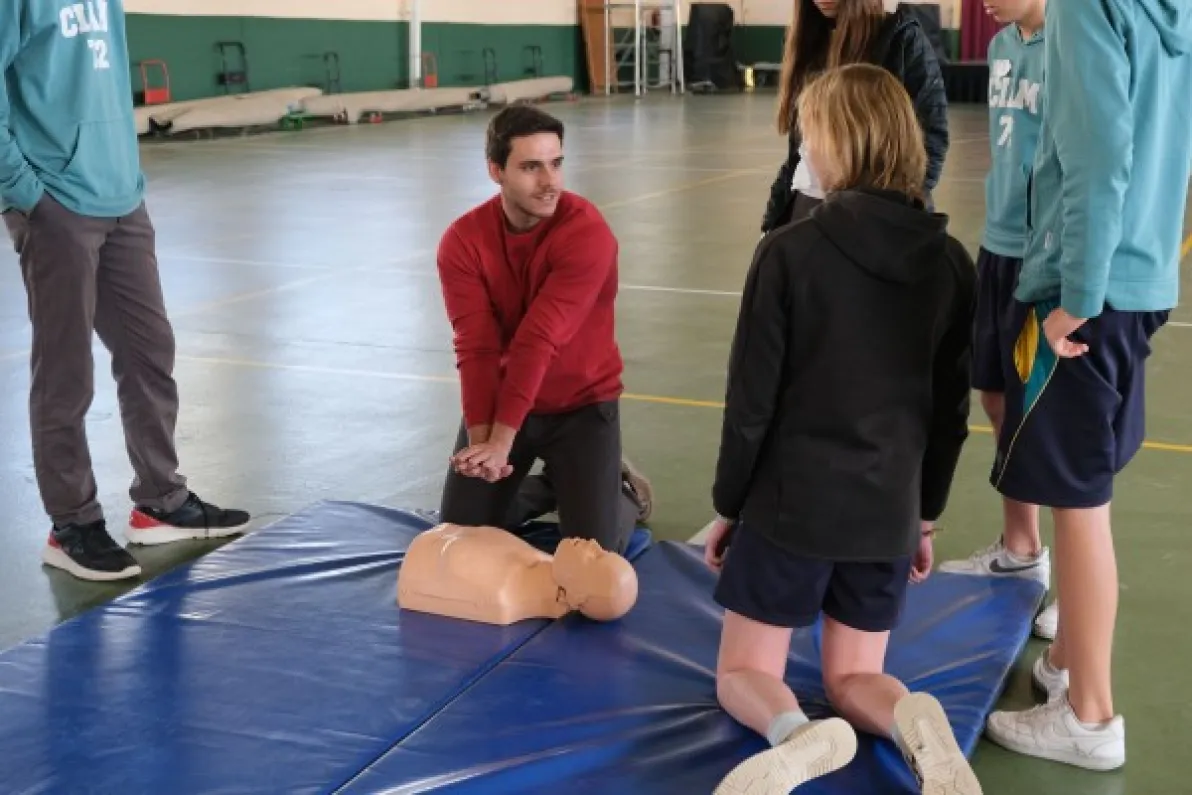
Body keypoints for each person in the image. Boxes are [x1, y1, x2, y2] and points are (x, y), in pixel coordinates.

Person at [703, 64, 980, 794]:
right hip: (888, 509)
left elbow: (750, 404)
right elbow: (950, 413)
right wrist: (923, 515)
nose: (806, 154)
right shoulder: (951, 263)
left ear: (841, 144)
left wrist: (730, 505)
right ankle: (914, 719)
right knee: (858, 672)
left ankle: (796, 734)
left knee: (743, 669)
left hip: (792, 505)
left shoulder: (788, 252)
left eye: (811, 137)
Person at [983, 0, 1191, 771]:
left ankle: (1089, 714)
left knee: (1077, 500)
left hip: (1090, 290)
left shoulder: (1081, 7)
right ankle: (1068, 661)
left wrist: (1079, 291)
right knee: (1086, 490)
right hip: (1143, 274)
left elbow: (1100, 156)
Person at [0, 0, 250, 583]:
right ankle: (72, 524)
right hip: (55, 203)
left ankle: (161, 502)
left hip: (121, 197)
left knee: (149, 352)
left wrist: (128, 177)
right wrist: (29, 194)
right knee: (65, 372)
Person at [435, 105, 650, 556]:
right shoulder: (463, 241)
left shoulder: (587, 233)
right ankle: (555, 484)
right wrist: (483, 447)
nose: (550, 181)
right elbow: (475, 346)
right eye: (531, 167)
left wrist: (501, 443)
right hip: (506, 401)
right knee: (462, 533)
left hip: (581, 404)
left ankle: (621, 490)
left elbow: (539, 339)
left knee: (592, 556)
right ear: (496, 170)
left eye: (556, 163)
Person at [937, 0, 1061, 647]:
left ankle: (1072, 579)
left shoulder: (1072, 41)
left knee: (1053, 415)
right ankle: (1022, 546)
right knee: (994, 395)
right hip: (1000, 246)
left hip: (1048, 257)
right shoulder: (1005, 47)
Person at [760, 0, 949, 233]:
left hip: (873, 214)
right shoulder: (806, 39)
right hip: (808, 209)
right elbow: (797, 152)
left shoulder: (900, 39)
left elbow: (932, 137)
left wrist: (900, 210)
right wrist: (772, 222)